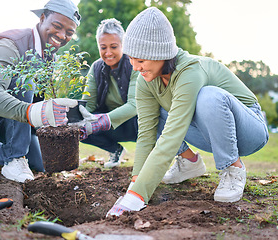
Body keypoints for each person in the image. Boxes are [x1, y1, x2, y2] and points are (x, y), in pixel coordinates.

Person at [107, 7, 269, 216]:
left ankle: (233, 167)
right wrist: (135, 185)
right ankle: (189, 162)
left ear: (160, 54)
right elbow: (147, 133)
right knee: (148, 117)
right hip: (209, 133)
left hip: (249, 130)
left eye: (140, 60)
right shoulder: (146, 80)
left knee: (208, 97)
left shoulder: (190, 69)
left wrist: (138, 197)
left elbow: (174, 132)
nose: (134, 67)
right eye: (131, 59)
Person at [0, 0, 81, 183]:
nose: (61, 35)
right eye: (57, 26)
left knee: (41, 162)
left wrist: (65, 120)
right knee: (24, 80)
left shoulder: (49, 57)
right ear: (42, 18)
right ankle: (12, 157)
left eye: (69, 33)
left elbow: (36, 100)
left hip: (2, 115)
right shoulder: (9, 44)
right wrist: (31, 112)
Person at [79, 18, 139, 168]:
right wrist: (75, 120)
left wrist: (102, 120)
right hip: (110, 124)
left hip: (135, 122)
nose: (108, 53)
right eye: (103, 47)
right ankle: (115, 149)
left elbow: (134, 105)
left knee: (151, 120)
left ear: (123, 45)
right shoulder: (96, 67)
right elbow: (89, 104)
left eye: (113, 47)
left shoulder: (134, 64)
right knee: (79, 127)